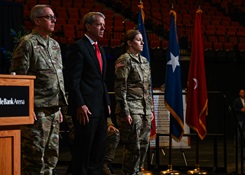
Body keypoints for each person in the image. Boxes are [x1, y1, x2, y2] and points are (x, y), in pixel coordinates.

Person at [9, 4, 68, 175]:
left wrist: (58, 106)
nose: (54, 20)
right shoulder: (27, 43)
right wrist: (25, 107)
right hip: (36, 110)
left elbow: (58, 77)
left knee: (51, 157)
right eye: (49, 17)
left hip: (54, 109)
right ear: (37, 20)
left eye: (54, 17)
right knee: (34, 158)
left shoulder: (55, 45)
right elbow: (18, 78)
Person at [65, 12, 111, 175]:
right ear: (88, 26)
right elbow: (73, 80)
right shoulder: (78, 47)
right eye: (99, 25)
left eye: (104, 25)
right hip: (85, 110)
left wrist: (107, 103)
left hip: (100, 109)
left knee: (98, 151)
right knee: (83, 152)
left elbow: (101, 80)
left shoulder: (100, 48)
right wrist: (80, 104)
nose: (103, 28)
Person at [114, 29, 154, 175]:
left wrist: (150, 110)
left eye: (142, 40)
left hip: (144, 110)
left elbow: (147, 88)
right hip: (131, 108)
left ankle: (138, 171)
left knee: (144, 145)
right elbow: (121, 88)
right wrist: (125, 111)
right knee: (133, 147)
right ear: (129, 43)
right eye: (138, 40)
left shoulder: (144, 61)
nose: (142, 42)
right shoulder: (124, 60)